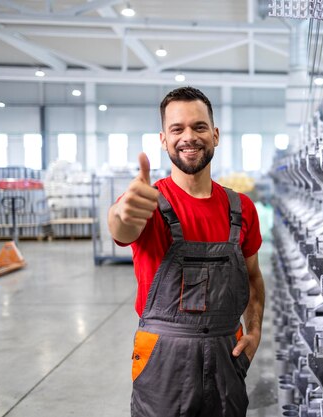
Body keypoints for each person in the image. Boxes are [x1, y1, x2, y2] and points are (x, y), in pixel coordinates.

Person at [108, 86, 265, 417]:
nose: (188, 137)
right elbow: (121, 227)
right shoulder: (148, 204)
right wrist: (121, 215)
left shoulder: (242, 208)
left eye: (199, 127)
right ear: (163, 139)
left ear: (216, 135)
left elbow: (253, 278)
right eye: (177, 129)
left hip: (228, 355)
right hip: (163, 361)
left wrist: (255, 331)